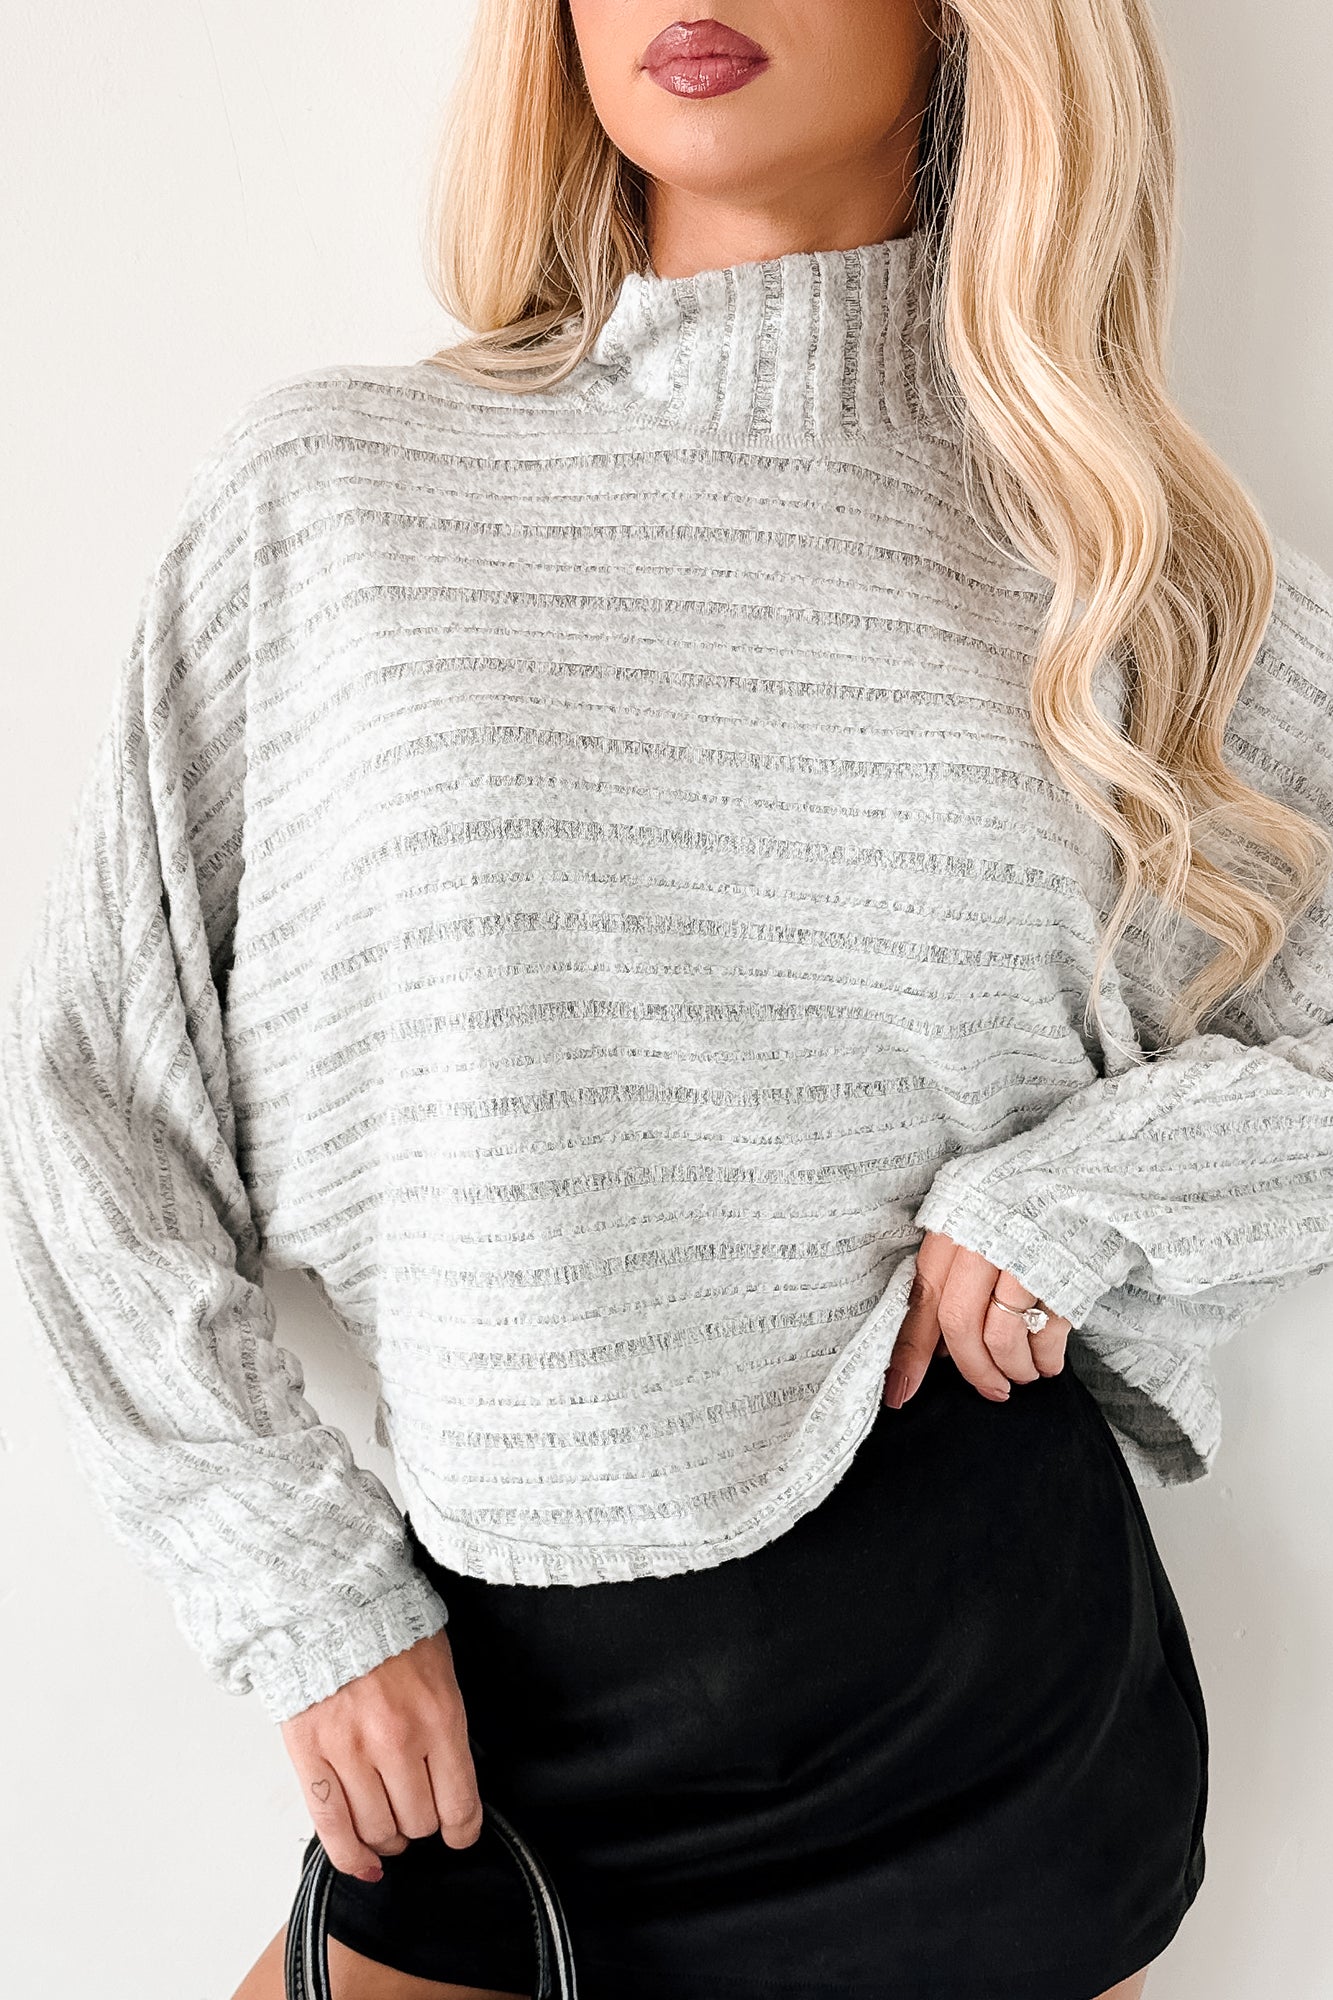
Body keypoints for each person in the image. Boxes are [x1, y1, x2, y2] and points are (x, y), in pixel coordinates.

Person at [4, 0, 1333, 1995]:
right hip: (482, 1713)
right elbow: (94, 1097)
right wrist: (288, 1577)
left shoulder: (1122, 560)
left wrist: (1089, 1196)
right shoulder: (339, 494)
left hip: (976, 1710)